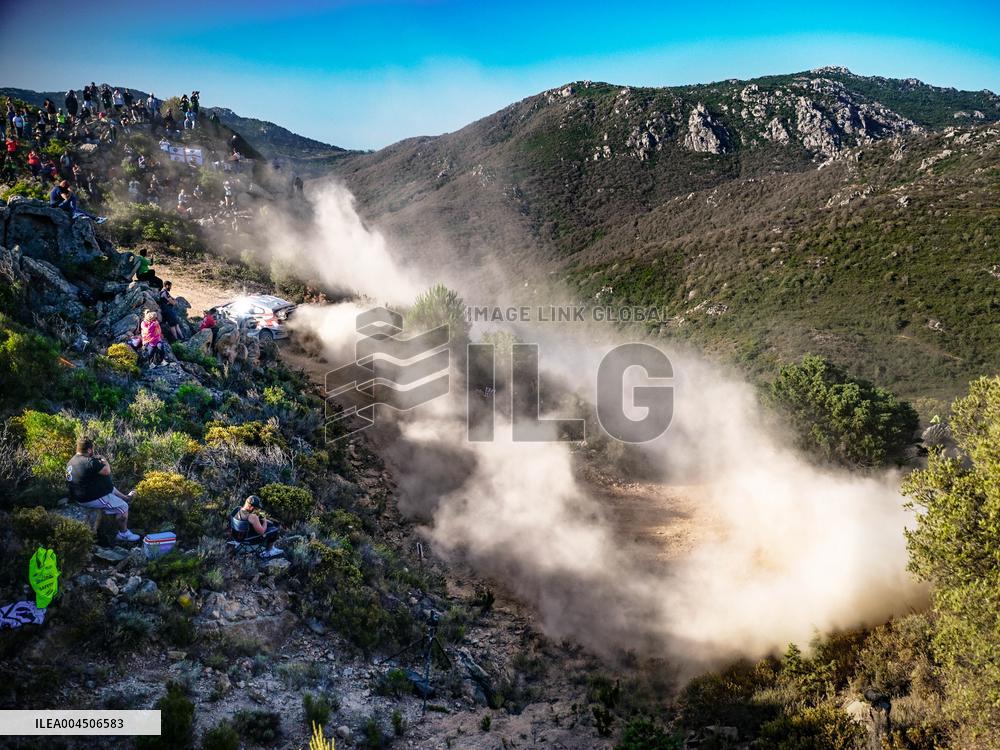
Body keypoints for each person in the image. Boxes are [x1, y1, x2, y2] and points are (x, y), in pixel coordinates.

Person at [66, 437, 140, 543]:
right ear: (90, 450)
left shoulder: (71, 461)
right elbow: (107, 471)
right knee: (123, 507)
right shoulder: (89, 461)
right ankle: (123, 534)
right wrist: (104, 460)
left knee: (107, 485)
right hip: (89, 499)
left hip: (79, 495)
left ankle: (126, 497)